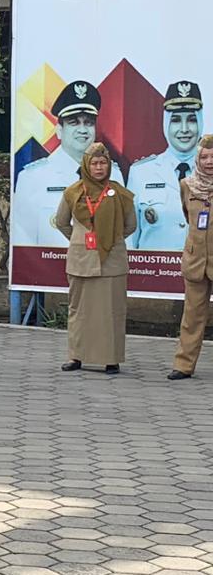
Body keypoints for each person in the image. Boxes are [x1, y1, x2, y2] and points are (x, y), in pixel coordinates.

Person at [55, 142, 136, 374]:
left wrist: (108, 239)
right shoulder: (72, 192)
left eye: (103, 163)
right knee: (79, 310)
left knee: (112, 311)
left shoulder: (120, 193)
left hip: (112, 261)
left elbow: (130, 225)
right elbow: (62, 222)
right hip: (81, 259)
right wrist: (79, 238)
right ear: (86, 165)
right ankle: (76, 356)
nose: (99, 168)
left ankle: (111, 359)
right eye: (94, 163)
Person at [12, 80, 101, 246]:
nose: (83, 130)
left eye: (88, 123)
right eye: (74, 123)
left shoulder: (113, 174)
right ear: (59, 130)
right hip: (51, 262)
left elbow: (123, 239)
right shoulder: (32, 178)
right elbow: (23, 241)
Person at [128, 81, 204, 250]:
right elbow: (129, 240)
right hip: (153, 267)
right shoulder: (141, 173)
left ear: (200, 122)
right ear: (166, 123)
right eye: (176, 120)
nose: (184, 129)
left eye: (191, 120)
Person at [169, 135, 213, 380]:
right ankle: (183, 365)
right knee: (192, 317)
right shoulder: (187, 185)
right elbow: (189, 217)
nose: (209, 161)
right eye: (204, 157)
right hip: (196, 262)